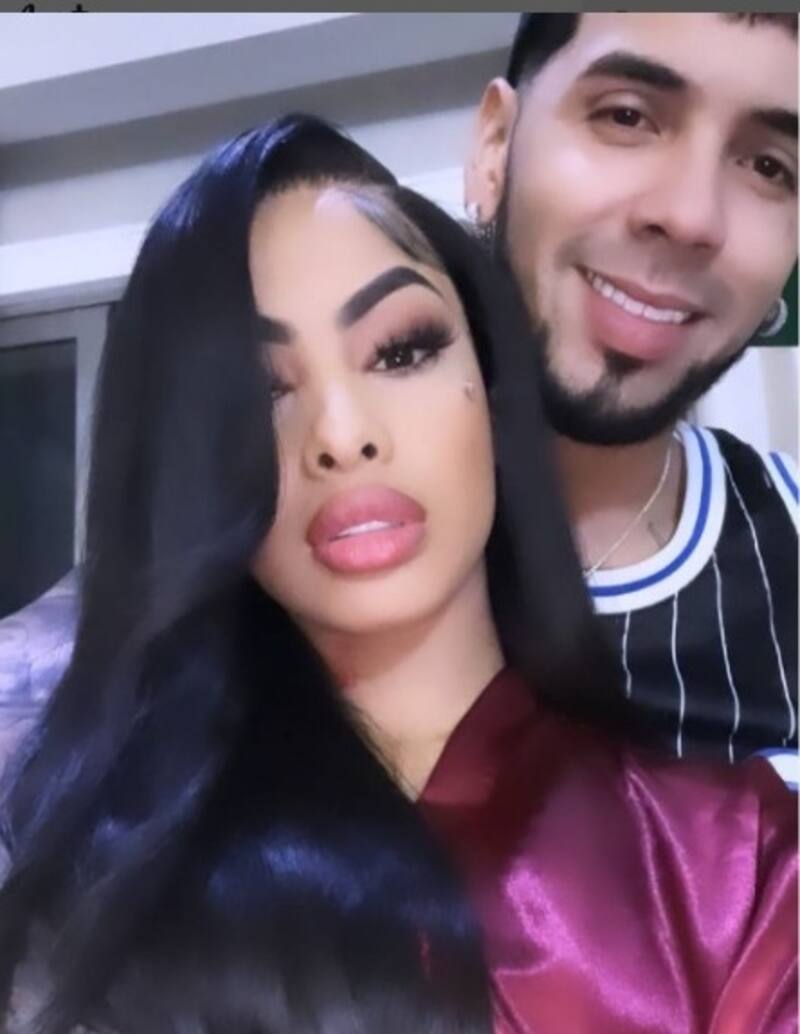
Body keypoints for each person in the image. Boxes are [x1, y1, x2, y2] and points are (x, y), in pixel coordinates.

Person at [0, 115, 794, 1034]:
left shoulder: (734, 867)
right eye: (260, 392)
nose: (342, 436)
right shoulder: (94, 892)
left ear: (491, 389)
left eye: (402, 349)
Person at [465, 12, 798, 770]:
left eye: (769, 167)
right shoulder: (287, 563)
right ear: (495, 148)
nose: (690, 217)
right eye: (626, 117)